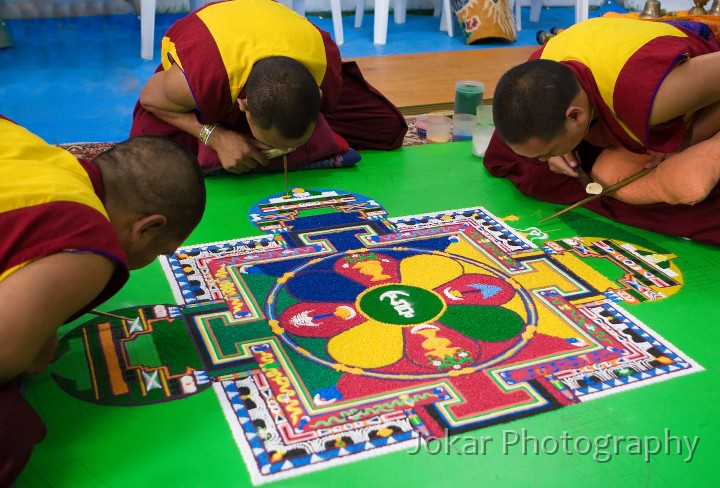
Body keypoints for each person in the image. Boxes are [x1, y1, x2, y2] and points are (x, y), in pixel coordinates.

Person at [0, 115, 206, 486]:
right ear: (147, 228)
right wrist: (28, 348)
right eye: (161, 251)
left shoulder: (36, 152)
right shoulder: (87, 240)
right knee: (11, 429)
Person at [484, 17, 720, 245]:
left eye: (548, 152)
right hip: (615, 60)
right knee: (514, 158)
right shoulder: (540, 67)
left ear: (575, 115)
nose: (546, 159)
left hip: (693, 69)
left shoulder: (654, 96)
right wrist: (554, 152)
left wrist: (688, 138)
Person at [130, 0, 408, 175]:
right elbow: (150, 98)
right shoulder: (200, 79)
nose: (284, 153)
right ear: (244, 106)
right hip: (210, 45)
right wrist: (214, 136)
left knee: (386, 126)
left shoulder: (322, 58)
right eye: (274, 146)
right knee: (147, 160)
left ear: (318, 95)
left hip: (275, 41)